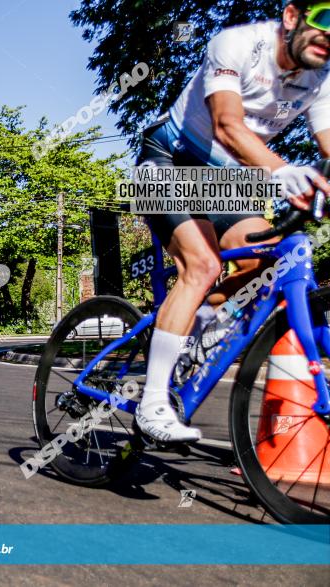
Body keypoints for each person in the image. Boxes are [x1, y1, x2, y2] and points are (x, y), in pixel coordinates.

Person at [135, 1, 330, 442]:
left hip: (229, 177)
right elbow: (226, 125)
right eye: (325, 17)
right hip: (169, 159)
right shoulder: (238, 44)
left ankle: (199, 326)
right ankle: (151, 403)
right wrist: (282, 171)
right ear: (293, 15)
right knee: (202, 265)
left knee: (266, 264)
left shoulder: (322, 81)